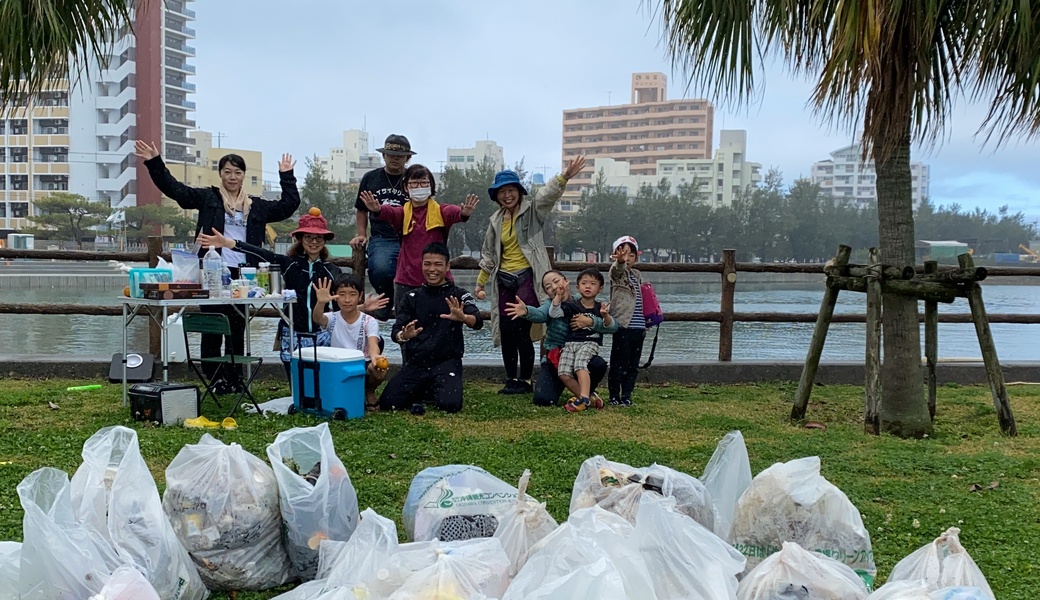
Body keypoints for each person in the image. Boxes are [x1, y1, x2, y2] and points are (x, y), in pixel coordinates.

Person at [135, 141, 301, 392]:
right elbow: (176, 190)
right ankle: (214, 378)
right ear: (220, 174)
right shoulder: (208, 198)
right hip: (212, 271)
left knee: (236, 327)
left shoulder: (256, 205)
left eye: (237, 172)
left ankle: (234, 379)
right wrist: (154, 162)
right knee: (212, 326)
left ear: (244, 175)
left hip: (244, 275)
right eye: (227, 172)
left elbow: (289, 205)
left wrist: (286, 176)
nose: (232, 177)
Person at [196, 210, 385, 378]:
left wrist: (362, 308)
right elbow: (260, 253)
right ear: (301, 239)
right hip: (291, 331)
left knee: (319, 379)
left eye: (318, 238)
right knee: (296, 380)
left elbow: (340, 306)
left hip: (321, 334)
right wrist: (228, 243)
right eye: (308, 237)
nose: (313, 242)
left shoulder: (331, 271)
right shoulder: (290, 264)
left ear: (324, 241)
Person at [475, 155, 586, 395]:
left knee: (523, 328)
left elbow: (547, 196)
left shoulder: (532, 212)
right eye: (502, 191)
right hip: (504, 278)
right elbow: (488, 254)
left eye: (511, 190)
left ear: (519, 191)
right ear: (496, 195)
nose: (507, 195)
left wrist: (564, 176)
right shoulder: (494, 221)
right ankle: (510, 378)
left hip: (527, 275)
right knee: (506, 330)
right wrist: (480, 283)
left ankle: (525, 379)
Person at [359, 163, 478, 314]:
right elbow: (388, 212)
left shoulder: (440, 211)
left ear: (431, 186)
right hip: (406, 280)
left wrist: (464, 213)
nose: (419, 187)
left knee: (442, 325)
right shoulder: (403, 213)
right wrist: (377, 209)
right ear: (406, 187)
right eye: (414, 183)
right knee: (405, 327)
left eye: (423, 183)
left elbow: (454, 212)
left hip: (439, 279)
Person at [379, 242, 483, 413]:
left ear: (447, 266)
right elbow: (395, 332)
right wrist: (404, 336)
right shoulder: (411, 297)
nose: (432, 269)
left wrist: (463, 317)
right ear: (421, 265)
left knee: (450, 405)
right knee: (388, 402)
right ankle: (425, 388)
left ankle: (433, 388)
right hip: (417, 362)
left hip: (447, 362)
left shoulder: (459, 294)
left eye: (438, 264)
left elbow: (477, 321)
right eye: (427, 264)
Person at [505, 270, 616, 407]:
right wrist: (527, 311)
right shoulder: (551, 304)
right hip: (555, 358)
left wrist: (590, 322)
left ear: (566, 281)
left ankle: (584, 396)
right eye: (548, 286)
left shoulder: (582, 300)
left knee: (598, 364)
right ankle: (587, 397)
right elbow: (540, 314)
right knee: (543, 400)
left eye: (556, 281)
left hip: (580, 354)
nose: (553, 287)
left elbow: (612, 327)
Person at [350, 134, 415, 321]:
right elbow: (361, 209)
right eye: (390, 154)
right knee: (380, 269)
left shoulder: (413, 178)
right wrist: (361, 234)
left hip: (409, 235)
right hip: (382, 236)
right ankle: (386, 301)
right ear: (384, 156)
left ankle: (410, 305)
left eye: (400, 156)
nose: (395, 159)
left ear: (407, 158)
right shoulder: (371, 178)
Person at [311, 274, 388, 409]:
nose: (347, 300)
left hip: (361, 362)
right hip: (338, 364)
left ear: (360, 296)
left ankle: (369, 391)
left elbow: (373, 343)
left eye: (352, 294)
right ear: (334, 296)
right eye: (342, 294)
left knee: (378, 369)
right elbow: (318, 318)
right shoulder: (332, 318)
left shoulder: (369, 321)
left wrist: (375, 356)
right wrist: (321, 302)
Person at [547, 268, 613, 412]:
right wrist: (558, 295)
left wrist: (605, 315)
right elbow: (554, 313)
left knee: (580, 365)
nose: (588, 286)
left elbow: (610, 325)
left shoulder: (599, 307)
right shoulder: (573, 305)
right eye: (584, 283)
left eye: (592, 284)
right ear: (578, 287)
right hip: (570, 343)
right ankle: (588, 398)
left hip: (590, 342)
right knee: (563, 372)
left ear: (600, 288)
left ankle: (582, 400)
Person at [607, 236, 646, 407]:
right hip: (623, 325)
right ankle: (614, 395)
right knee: (618, 363)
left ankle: (627, 395)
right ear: (615, 255)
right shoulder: (617, 274)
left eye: (631, 255)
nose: (627, 258)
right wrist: (619, 262)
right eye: (622, 253)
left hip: (639, 326)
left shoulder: (637, 275)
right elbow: (617, 270)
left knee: (633, 365)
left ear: (636, 258)